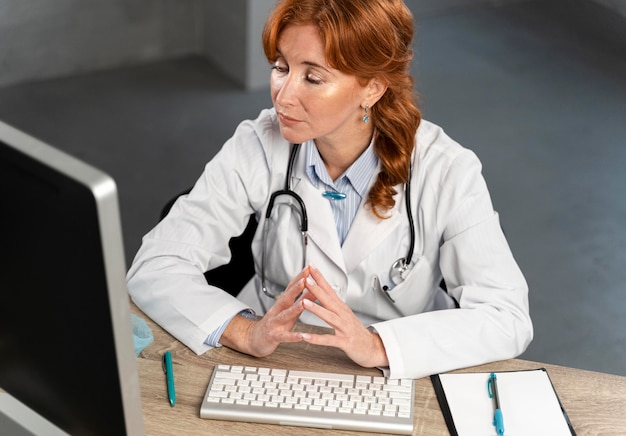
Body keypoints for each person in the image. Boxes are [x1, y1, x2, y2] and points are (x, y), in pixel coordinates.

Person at [127, 0, 532, 379]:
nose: (283, 96)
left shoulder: (447, 171)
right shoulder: (257, 145)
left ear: (371, 88)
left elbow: (506, 314)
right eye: (281, 67)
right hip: (273, 359)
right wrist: (245, 332)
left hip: (391, 369)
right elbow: (156, 267)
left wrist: (376, 345)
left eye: (313, 78)